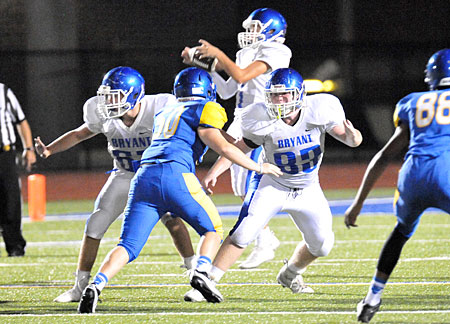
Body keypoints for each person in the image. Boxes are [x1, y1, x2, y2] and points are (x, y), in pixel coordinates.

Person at [77, 67, 282, 313]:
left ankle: (96, 286)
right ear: (208, 90)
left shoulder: (166, 111)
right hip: (175, 175)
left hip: (143, 177)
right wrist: (258, 167)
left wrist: (241, 144)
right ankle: (202, 273)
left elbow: (225, 140)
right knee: (213, 230)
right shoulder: (205, 109)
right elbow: (223, 147)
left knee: (128, 244)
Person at [191, 68, 362, 303]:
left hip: (308, 187)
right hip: (272, 183)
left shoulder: (320, 109)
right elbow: (242, 147)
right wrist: (215, 170)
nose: (279, 101)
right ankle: (206, 283)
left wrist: (354, 137)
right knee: (244, 232)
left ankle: (290, 274)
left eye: (285, 95)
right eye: (274, 95)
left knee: (322, 245)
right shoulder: (259, 117)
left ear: (299, 95)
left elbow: (351, 140)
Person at [34, 66, 196, 303]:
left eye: (115, 95)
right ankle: (80, 287)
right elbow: (80, 134)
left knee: (174, 223)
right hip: (124, 174)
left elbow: (186, 132)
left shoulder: (159, 108)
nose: (109, 101)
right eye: (107, 95)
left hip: (153, 174)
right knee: (95, 223)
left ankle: (195, 274)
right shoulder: (102, 114)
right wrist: (50, 149)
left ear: (133, 94)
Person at [181, 7, 292, 272]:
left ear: (272, 30)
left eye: (255, 28)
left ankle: (264, 240)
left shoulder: (278, 51)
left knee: (245, 185)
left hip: (262, 118)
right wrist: (203, 64)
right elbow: (230, 88)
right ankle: (265, 238)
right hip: (241, 117)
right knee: (239, 185)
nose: (249, 33)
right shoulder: (245, 53)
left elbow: (242, 75)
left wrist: (217, 56)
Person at [344, 48, 450, 323]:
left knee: (401, 232)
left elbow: (385, 155)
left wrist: (358, 203)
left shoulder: (412, 102)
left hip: (412, 176)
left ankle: (372, 298)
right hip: (446, 173)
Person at [0, 83, 36, 257]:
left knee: (10, 199)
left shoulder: (4, 91)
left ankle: (14, 245)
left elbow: (21, 121)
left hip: (4, 153)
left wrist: (29, 148)